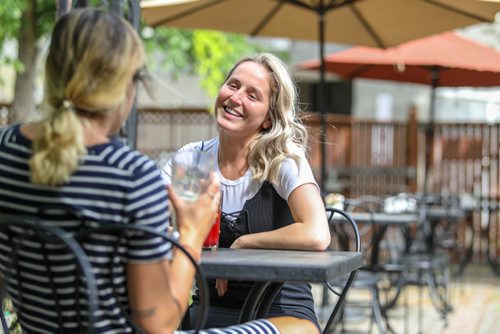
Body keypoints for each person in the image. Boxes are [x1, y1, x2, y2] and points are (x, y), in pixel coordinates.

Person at [0, 8, 301, 334]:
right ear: (123, 88)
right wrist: (191, 233)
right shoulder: (133, 174)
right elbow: (159, 324)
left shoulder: (6, 147)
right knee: (297, 329)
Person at [163, 53, 331, 333]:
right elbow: (151, 224)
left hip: (283, 314)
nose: (236, 97)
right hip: (207, 311)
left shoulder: (283, 162)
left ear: (268, 119)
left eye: (253, 95)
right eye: (233, 85)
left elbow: (317, 234)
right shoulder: (194, 161)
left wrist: (243, 242)